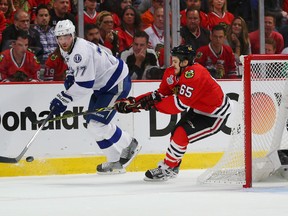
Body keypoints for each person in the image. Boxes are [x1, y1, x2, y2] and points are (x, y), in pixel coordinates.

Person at [114, 44, 231, 181]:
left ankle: (169, 168)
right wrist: (134, 102)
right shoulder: (171, 73)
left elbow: (178, 105)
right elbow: (160, 94)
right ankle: (172, 167)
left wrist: (152, 106)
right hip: (199, 108)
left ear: (185, 62)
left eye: (175, 61)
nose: (172, 64)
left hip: (215, 114)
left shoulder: (194, 74)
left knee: (181, 134)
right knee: (177, 133)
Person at [49, 19, 141, 174]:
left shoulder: (80, 52)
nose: (63, 41)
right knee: (91, 125)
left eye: (66, 37)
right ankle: (114, 161)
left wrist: (63, 98)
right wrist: (71, 76)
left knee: (98, 124)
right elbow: (75, 68)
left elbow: (85, 85)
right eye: (60, 37)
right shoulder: (68, 48)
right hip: (102, 85)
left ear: (73, 35)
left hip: (116, 83)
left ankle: (130, 144)